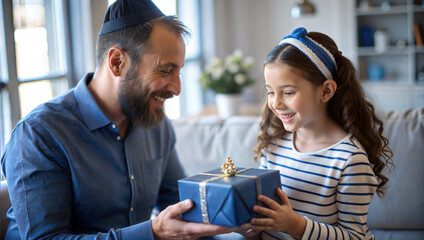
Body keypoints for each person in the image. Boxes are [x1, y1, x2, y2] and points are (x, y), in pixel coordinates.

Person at [1, 0, 232, 239]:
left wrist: (235, 221)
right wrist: (153, 232)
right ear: (117, 62)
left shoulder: (155, 122)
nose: (177, 88)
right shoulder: (39, 135)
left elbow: (181, 206)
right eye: (165, 70)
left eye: (179, 71)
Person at [249, 27, 394, 239]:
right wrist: (249, 227)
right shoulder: (273, 146)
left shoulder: (349, 160)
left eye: (288, 92)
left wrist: (296, 226)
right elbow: (265, 218)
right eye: (270, 92)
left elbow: (354, 236)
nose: (276, 103)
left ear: (326, 91)